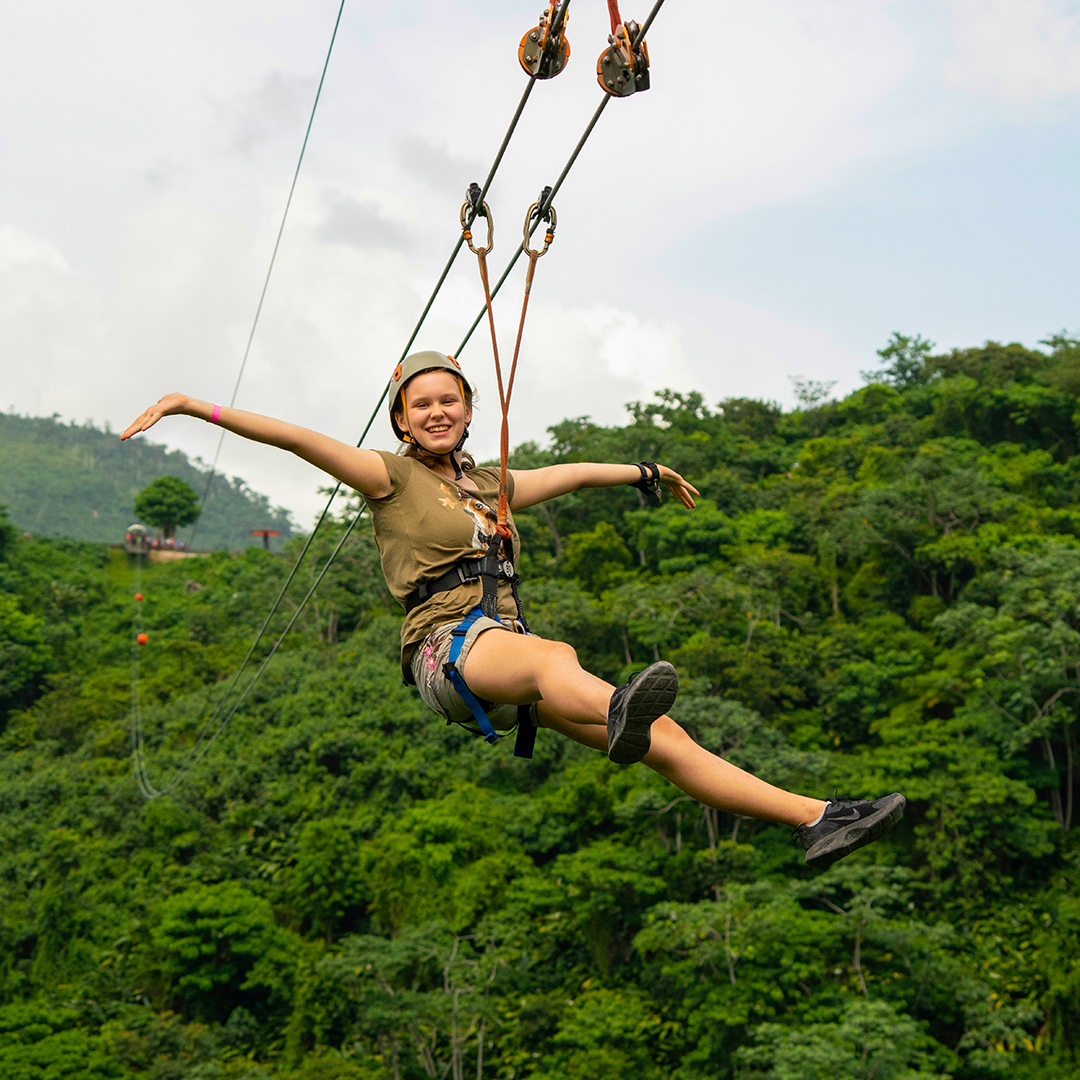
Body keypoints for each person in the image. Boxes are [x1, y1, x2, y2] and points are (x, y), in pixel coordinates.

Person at [122, 351, 905, 867]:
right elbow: (296, 440)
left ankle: (814, 818)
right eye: (419, 404)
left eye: (448, 401)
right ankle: (618, 708)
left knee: (665, 738)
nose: (435, 412)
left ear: (467, 410)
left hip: (498, 645)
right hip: (444, 649)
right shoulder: (386, 475)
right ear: (400, 420)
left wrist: (644, 471)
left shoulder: (490, 483)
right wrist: (194, 407)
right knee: (552, 659)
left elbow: (566, 471)